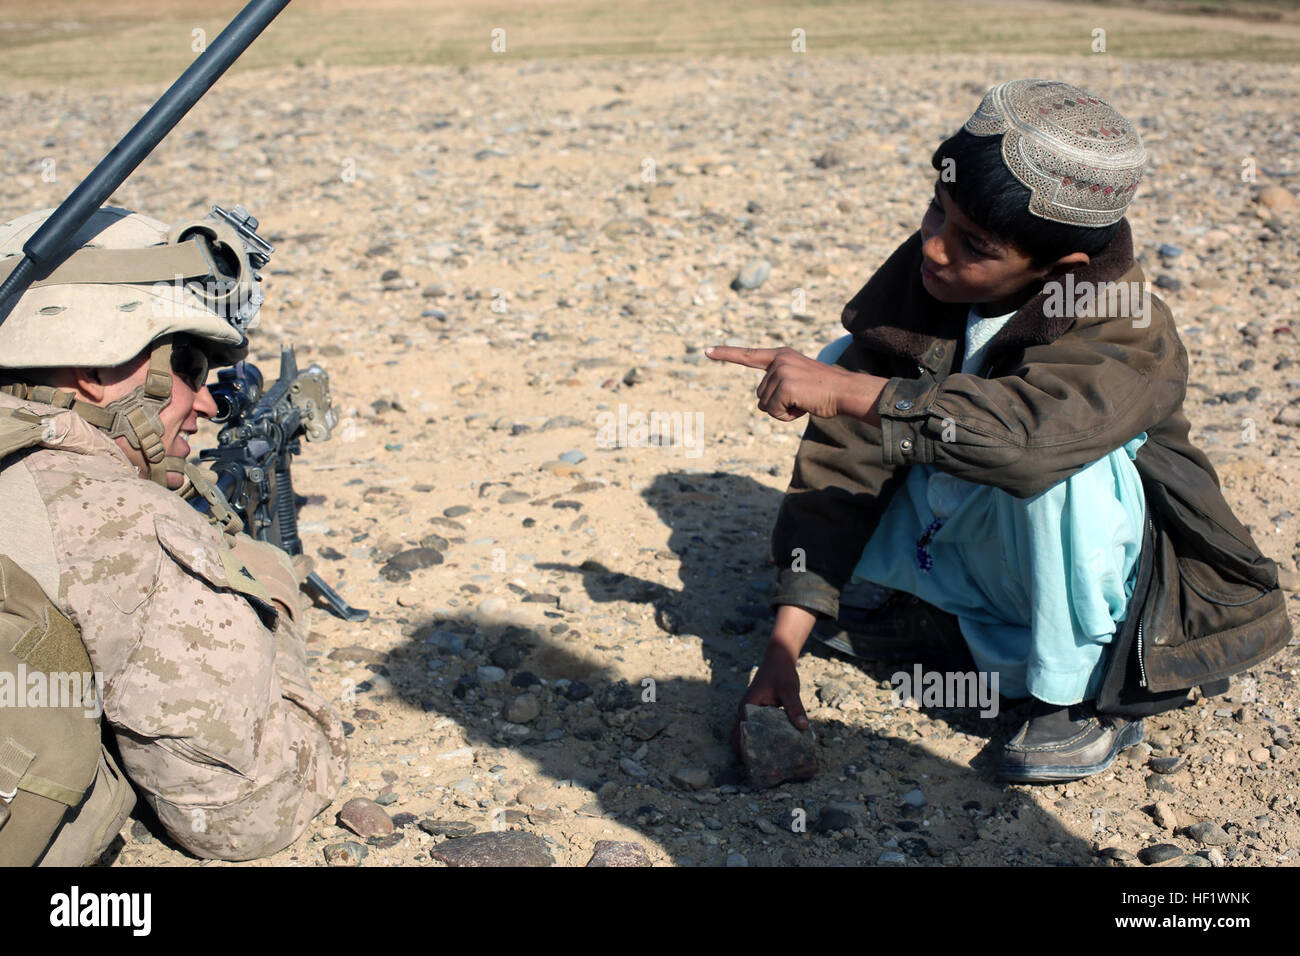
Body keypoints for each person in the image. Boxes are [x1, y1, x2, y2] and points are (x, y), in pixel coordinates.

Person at [709, 79, 1292, 783]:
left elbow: (1025, 444)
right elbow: (848, 463)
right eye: (935, 211)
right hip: (987, 552)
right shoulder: (932, 275)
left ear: (1060, 269)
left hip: (1111, 587)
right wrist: (784, 644)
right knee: (852, 377)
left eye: (972, 243)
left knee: (1053, 455)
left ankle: (1074, 694)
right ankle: (918, 612)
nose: (935, 247)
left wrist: (855, 391)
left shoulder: (1128, 323)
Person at [0, 205, 346, 864]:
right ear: (101, 369)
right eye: (188, 366)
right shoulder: (127, 522)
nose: (210, 402)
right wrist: (269, 597)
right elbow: (247, 816)